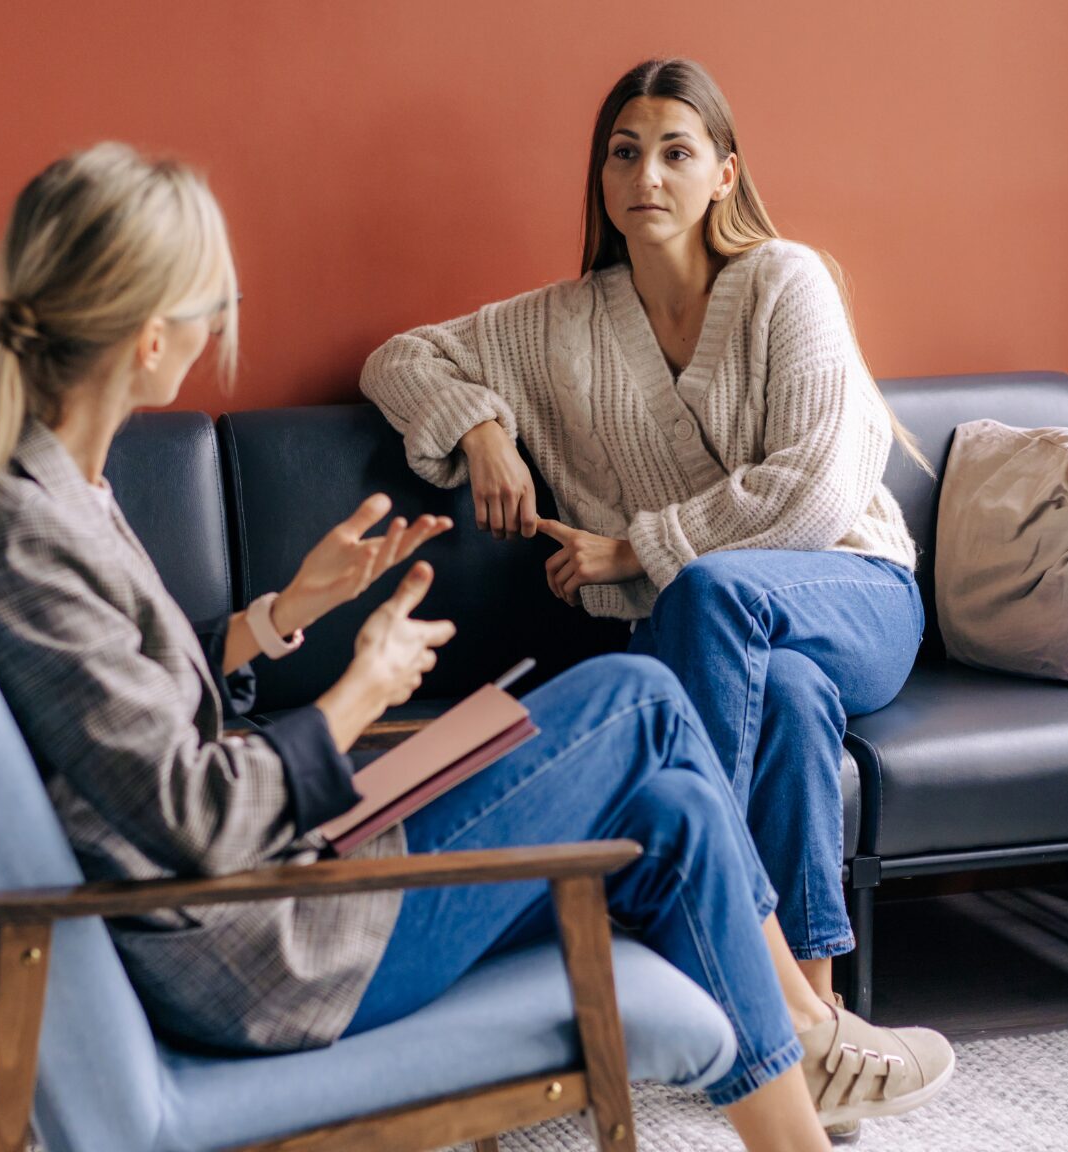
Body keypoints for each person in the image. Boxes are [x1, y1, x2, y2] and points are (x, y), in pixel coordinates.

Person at [0, 142, 949, 1150]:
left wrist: (282, 612)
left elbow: (126, 705)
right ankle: (806, 1030)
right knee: (638, 700)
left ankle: (795, 1107)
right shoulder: (25, 537)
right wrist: (355, 698)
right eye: (213, 304)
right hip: (270, 944)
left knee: (672, 804)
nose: (219, 325)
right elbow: (192, 815)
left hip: (280, 883)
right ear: (146, 338)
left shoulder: (48, 494)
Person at [361, 56, 928, 1067]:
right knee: (788, 697)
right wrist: (482, 429)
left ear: (723, 173)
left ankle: (714, 945)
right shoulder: (563, 323)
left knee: (710, 592)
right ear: (602, 176)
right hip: (725, 634)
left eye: (675, 152)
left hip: (854, 592)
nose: (646, 177)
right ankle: (811, 1019)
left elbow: (814, 490)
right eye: (624, 154)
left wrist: (634, 549)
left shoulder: (786, 281)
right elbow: (398, 358)